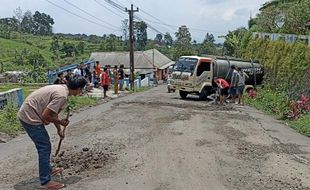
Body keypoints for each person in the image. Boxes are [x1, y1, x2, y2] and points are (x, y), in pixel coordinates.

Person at [18, 77, 87, 189]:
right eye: (82, 90)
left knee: (45, 145)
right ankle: (45, 182)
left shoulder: (62, 89)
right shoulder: (62, 96)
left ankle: (48, 170)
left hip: (29, 112)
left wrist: (59, 129)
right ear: (79, 89)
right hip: (29, 116)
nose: (81, 92)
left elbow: (53, 113)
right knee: (44, 147)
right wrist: (60, 122)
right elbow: (46, 115)